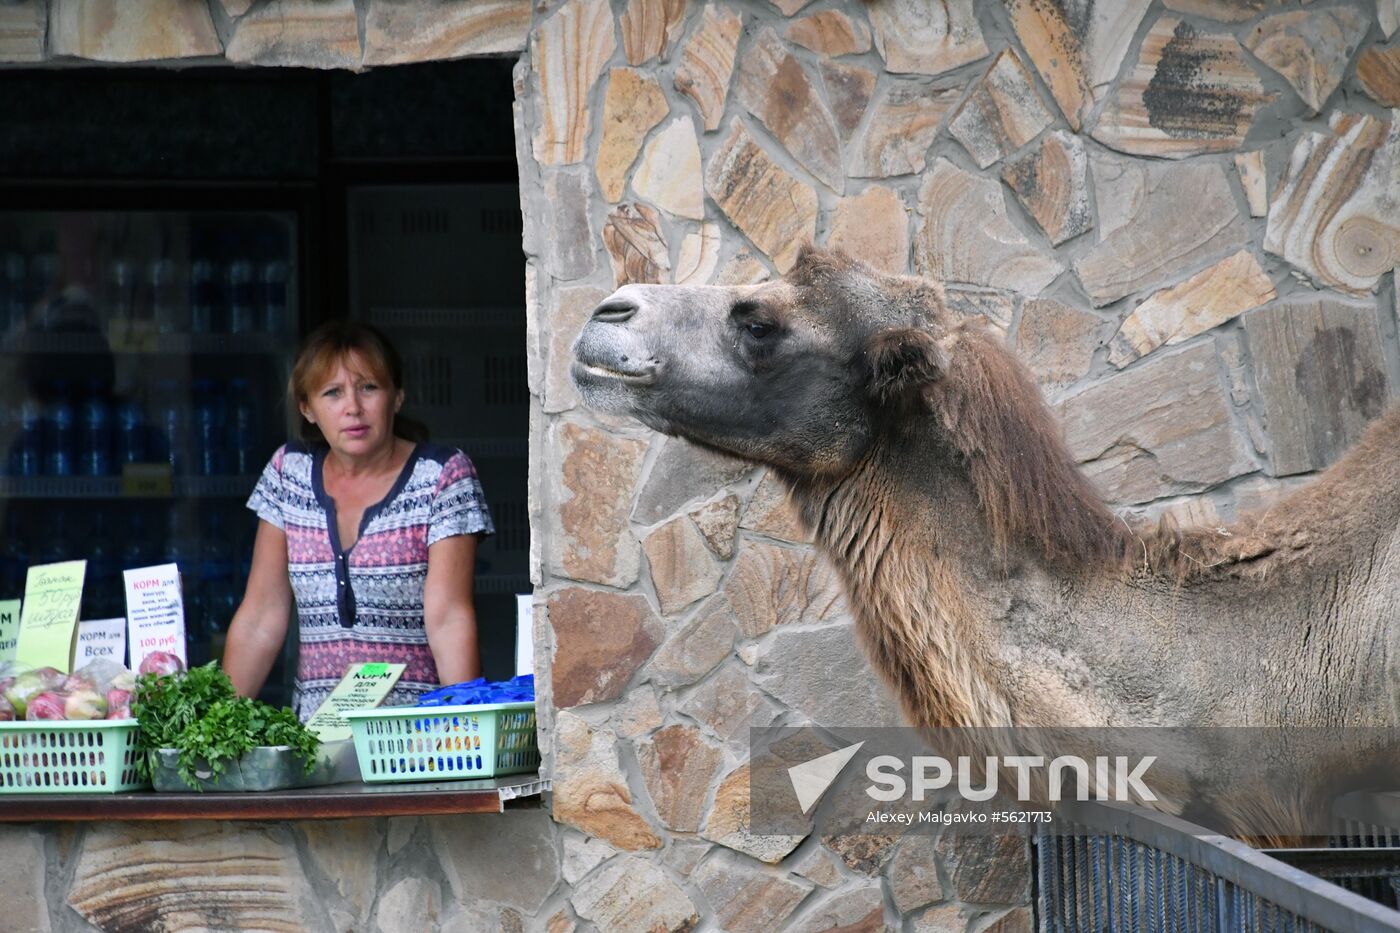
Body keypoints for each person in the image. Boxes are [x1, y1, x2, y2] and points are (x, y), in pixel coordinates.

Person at [223, 320, 493, 720]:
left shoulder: (441, 475)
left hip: (414, 742)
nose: (353, 407)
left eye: (369, 387)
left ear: (397, 397)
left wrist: (466, 732)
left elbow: (449, 618)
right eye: (332, 393)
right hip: (315, 746)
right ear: (307, 409)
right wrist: (215, 732)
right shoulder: (288, 472)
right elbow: (261, 617)